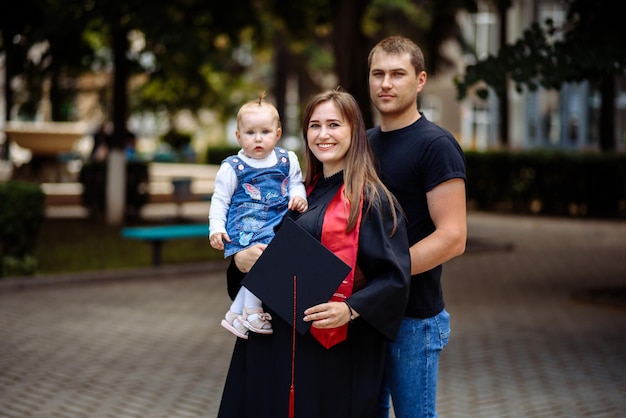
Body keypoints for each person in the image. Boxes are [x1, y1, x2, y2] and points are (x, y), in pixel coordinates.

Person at [217, 89, 411, 418]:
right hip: (270, 346)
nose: (323, 134)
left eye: (334, 124)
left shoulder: (371, 200)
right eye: (314, 125)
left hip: (329, 356)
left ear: (355, 131)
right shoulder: (296, 194)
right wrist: (240, 262)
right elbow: (259, 265)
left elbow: (394, 279)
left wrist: (349, 309)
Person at [367, 36, 467, 418]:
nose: (386, 84)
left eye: (397, 74)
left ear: (420, 80)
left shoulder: (436, 145)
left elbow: (452, 237)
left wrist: (385, 275)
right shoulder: (362, 144)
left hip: (414, 320)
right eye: (378, 74)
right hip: (365, 314)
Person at [209, 94, 308, 339]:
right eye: (250, 133)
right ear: (238, 136)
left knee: (267, 260)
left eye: (265, 132)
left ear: (277, 133)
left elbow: (296, 183)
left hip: (276, 221)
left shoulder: (287, 159)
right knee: (264, 260)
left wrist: (299, 196)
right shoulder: (233, 167)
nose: (258, 139)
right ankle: (252, 310)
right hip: (246, 225)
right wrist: (216, 228)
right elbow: (220, 200)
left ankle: (235, 312)